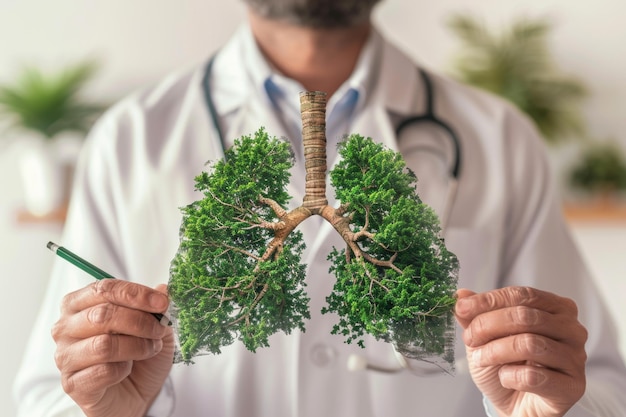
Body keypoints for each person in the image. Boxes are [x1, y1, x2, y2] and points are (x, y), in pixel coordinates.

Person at [13, 1, 626, 416]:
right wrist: (109, 407)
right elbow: (48, 394)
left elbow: (597, 385)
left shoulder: (499, 138)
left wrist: (552, 401)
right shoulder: (131, 139)